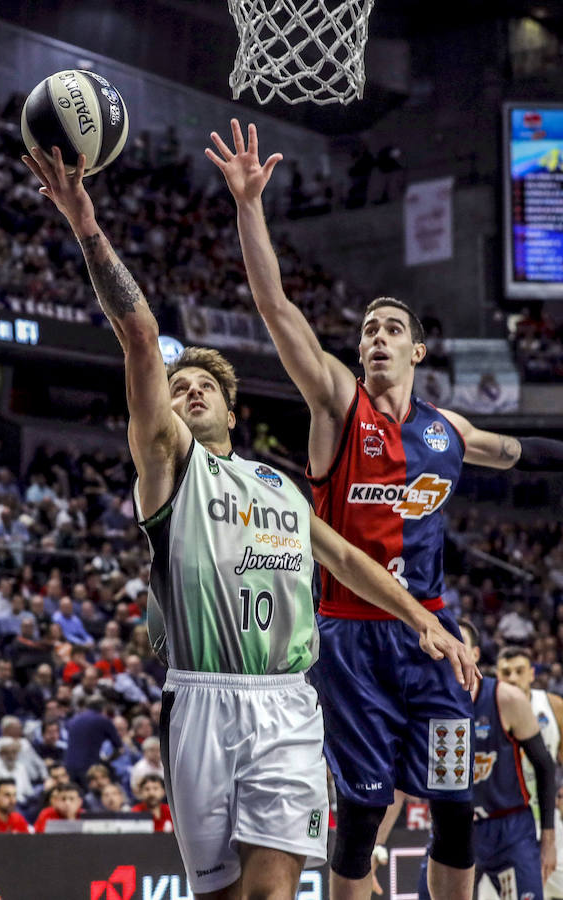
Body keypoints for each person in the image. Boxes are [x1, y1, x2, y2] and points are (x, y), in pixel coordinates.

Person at [22, 143, 477, 900]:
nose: (189, 391)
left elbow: (344, 558)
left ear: (233, 409)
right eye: (178, 386)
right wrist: (86, 222)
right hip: (200, 696)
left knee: (271, 894)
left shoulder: (277, 484)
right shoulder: (168, 466)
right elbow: (139, 335)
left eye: (204, 384)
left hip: (286, 699)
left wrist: (419, 617)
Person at [205, 118, 563, 900]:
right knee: (363, 818)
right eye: (368, 328)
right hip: (354, 642)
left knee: (455, 808)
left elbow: (517, 452)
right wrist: (249, 208)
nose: (376, 337)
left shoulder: (446, 430)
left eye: (392, 328)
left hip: (432, 638)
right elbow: (277, 311)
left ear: (417, 351)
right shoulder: (338, 405)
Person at [417, 620, 556, 900]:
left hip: (511, 827)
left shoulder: (507, 698)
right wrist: (378, 842)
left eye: (459, 644)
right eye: (444, 644)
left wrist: (549, 838)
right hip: (457, 825)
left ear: (476, 654)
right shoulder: (423, 702)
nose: (451, 651)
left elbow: (545, 765)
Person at [496, 646, 563, 900]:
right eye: (506, 672)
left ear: (532, 674)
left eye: (519, 671)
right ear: (497, 676)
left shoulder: (553, 706)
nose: (513, 677)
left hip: (548, 819)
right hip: (506, 823)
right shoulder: (489, 709)